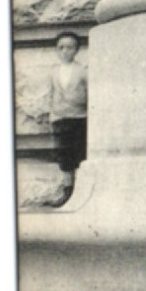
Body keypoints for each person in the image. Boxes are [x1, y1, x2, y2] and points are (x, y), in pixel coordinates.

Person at [47, 31, 87, 204]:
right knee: (63, 154)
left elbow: (90, 95)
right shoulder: (53, 72)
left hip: (79, 117)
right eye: (61, 47)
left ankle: (80, 191)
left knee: (78, 152)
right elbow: (50, 94)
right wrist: (52, 114)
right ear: (57, 50)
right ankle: (67, 190)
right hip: (59, 118)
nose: (65, 51)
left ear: (76, 50)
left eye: (70, 47)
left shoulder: (82, 71)